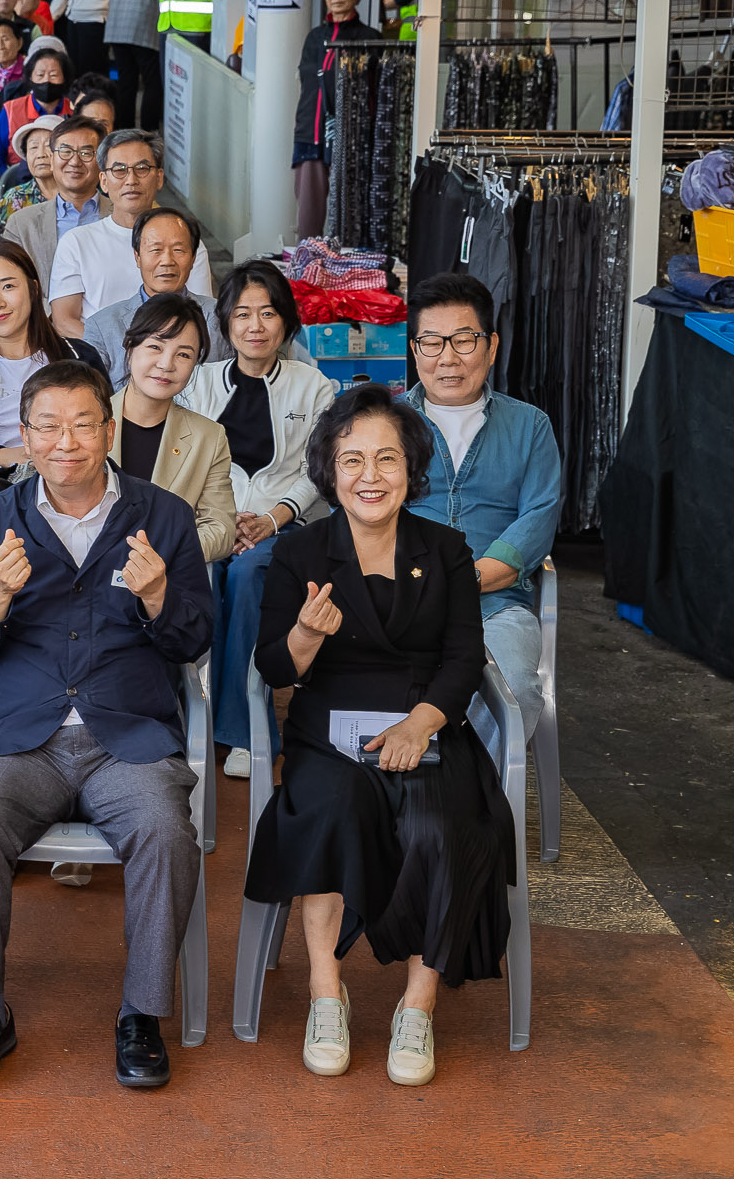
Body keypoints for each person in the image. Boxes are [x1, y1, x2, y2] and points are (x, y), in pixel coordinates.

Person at [0, 356, 215, 1088]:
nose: (67, 441)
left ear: (110, 428)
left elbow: (193, 641)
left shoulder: (163, 517)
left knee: (164, 830)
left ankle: (141, 1015)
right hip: (19, 737)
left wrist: (158, 597)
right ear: (24, 437)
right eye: (49, 426)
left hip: (127, 736)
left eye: (83, 423)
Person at [249, 381, 515, 1087]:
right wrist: (304, 635)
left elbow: (464, 656)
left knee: (441, 822)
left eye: (387, 459)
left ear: (411, 468)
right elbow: (271, 663)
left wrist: (423, 721)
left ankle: (417, 1008)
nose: (371, 476)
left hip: (424, 725)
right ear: (330, 471)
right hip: (327, 730)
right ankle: (325, 995)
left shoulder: (447, 548)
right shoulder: (302, 552)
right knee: (331, 807)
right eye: (354, 460)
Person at [180, 260, 337, 779]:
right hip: (213, 518)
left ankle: (247, 731)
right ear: (225, 323)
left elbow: (318, 470)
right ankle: (193, 720)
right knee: (206, 573)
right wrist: (222, 521)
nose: (255, 325)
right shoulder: (199, 383)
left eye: (268, 313)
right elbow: (187, 460)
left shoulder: (313, 387)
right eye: (242, 313)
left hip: (284, 525)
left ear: (286, 322)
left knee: (247, 575)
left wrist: (270, 519)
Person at [400, 271, 563, 726]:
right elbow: (354, 511)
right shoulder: (386, 423)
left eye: (464, 341)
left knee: (514, 692)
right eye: (431, 342)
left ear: (491, 347)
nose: (447, 358)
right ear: (415, 351)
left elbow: (537, 519)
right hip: (397, 595)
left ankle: (478, 795)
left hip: (495, 604)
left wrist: (459, 580)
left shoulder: (530, 427)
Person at [0, 241, 105, 542]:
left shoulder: (79, 359)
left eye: (8, 286)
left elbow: (104, 435)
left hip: (70, 480)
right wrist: (5, 456)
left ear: (34, 289)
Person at [106, 292, 233, 563]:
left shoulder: (208, 438)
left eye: (183, 354)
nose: (166, 364)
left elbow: (220, 530)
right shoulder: (87, 423)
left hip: (167, 582)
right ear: (130, 349)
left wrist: (162, 553)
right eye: (155, 347)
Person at [48, 131, 213, 335]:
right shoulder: (76, 242)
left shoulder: (183, 242)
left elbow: (202, 314)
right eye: (119, 170)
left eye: (142, 168)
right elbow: (64, 321)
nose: (131, 180)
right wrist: (121, 352)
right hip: (98, 360)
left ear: (159, 177)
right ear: (104, 181)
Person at [294, 0, 383, 240]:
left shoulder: (371, 39)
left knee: (348, 223)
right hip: (312, 138)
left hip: (353, 144)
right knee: (310, 225)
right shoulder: (314, 37)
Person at [83, 208, 218, 386]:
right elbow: (91, 394)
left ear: (193, 258)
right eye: (156, 250)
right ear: (137, 256)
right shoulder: (101, 326)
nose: (167, 260)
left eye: (178, 250)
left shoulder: (221, 316)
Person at [1, 114, 104, 279]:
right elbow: (9, 279)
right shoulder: (20, 223)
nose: (74, 161)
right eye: (65, 151)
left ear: (102, 160)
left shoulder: (125, 216)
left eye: (85, 153)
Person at [103, 0, 163, 131]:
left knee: (126, 82)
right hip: (145, 27)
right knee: (152, 81)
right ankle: (148, 131)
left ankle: (124, 130)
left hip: (118, 27)